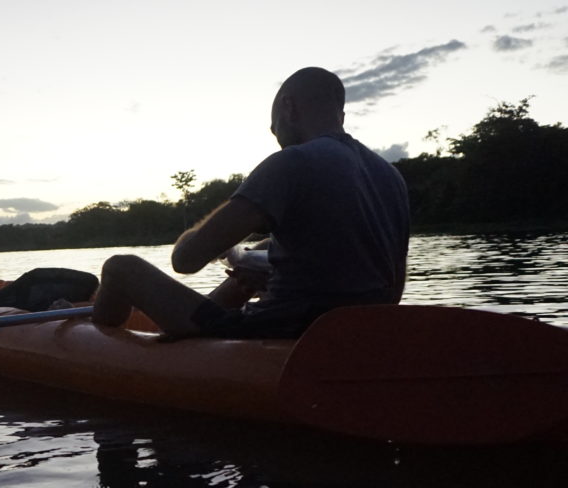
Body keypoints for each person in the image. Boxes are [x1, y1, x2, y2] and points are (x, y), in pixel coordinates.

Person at [92, 67, 410, 339]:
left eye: (275, 129)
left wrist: (218, 246)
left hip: (285, 332)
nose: (277, 137)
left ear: (288, 108)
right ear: (340, 114)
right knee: (257, 258)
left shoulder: (291, 162)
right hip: (360, 333)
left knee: (120, 268)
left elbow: (185, 260)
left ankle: (99, 344)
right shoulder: (391, 177)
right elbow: (392, 289)